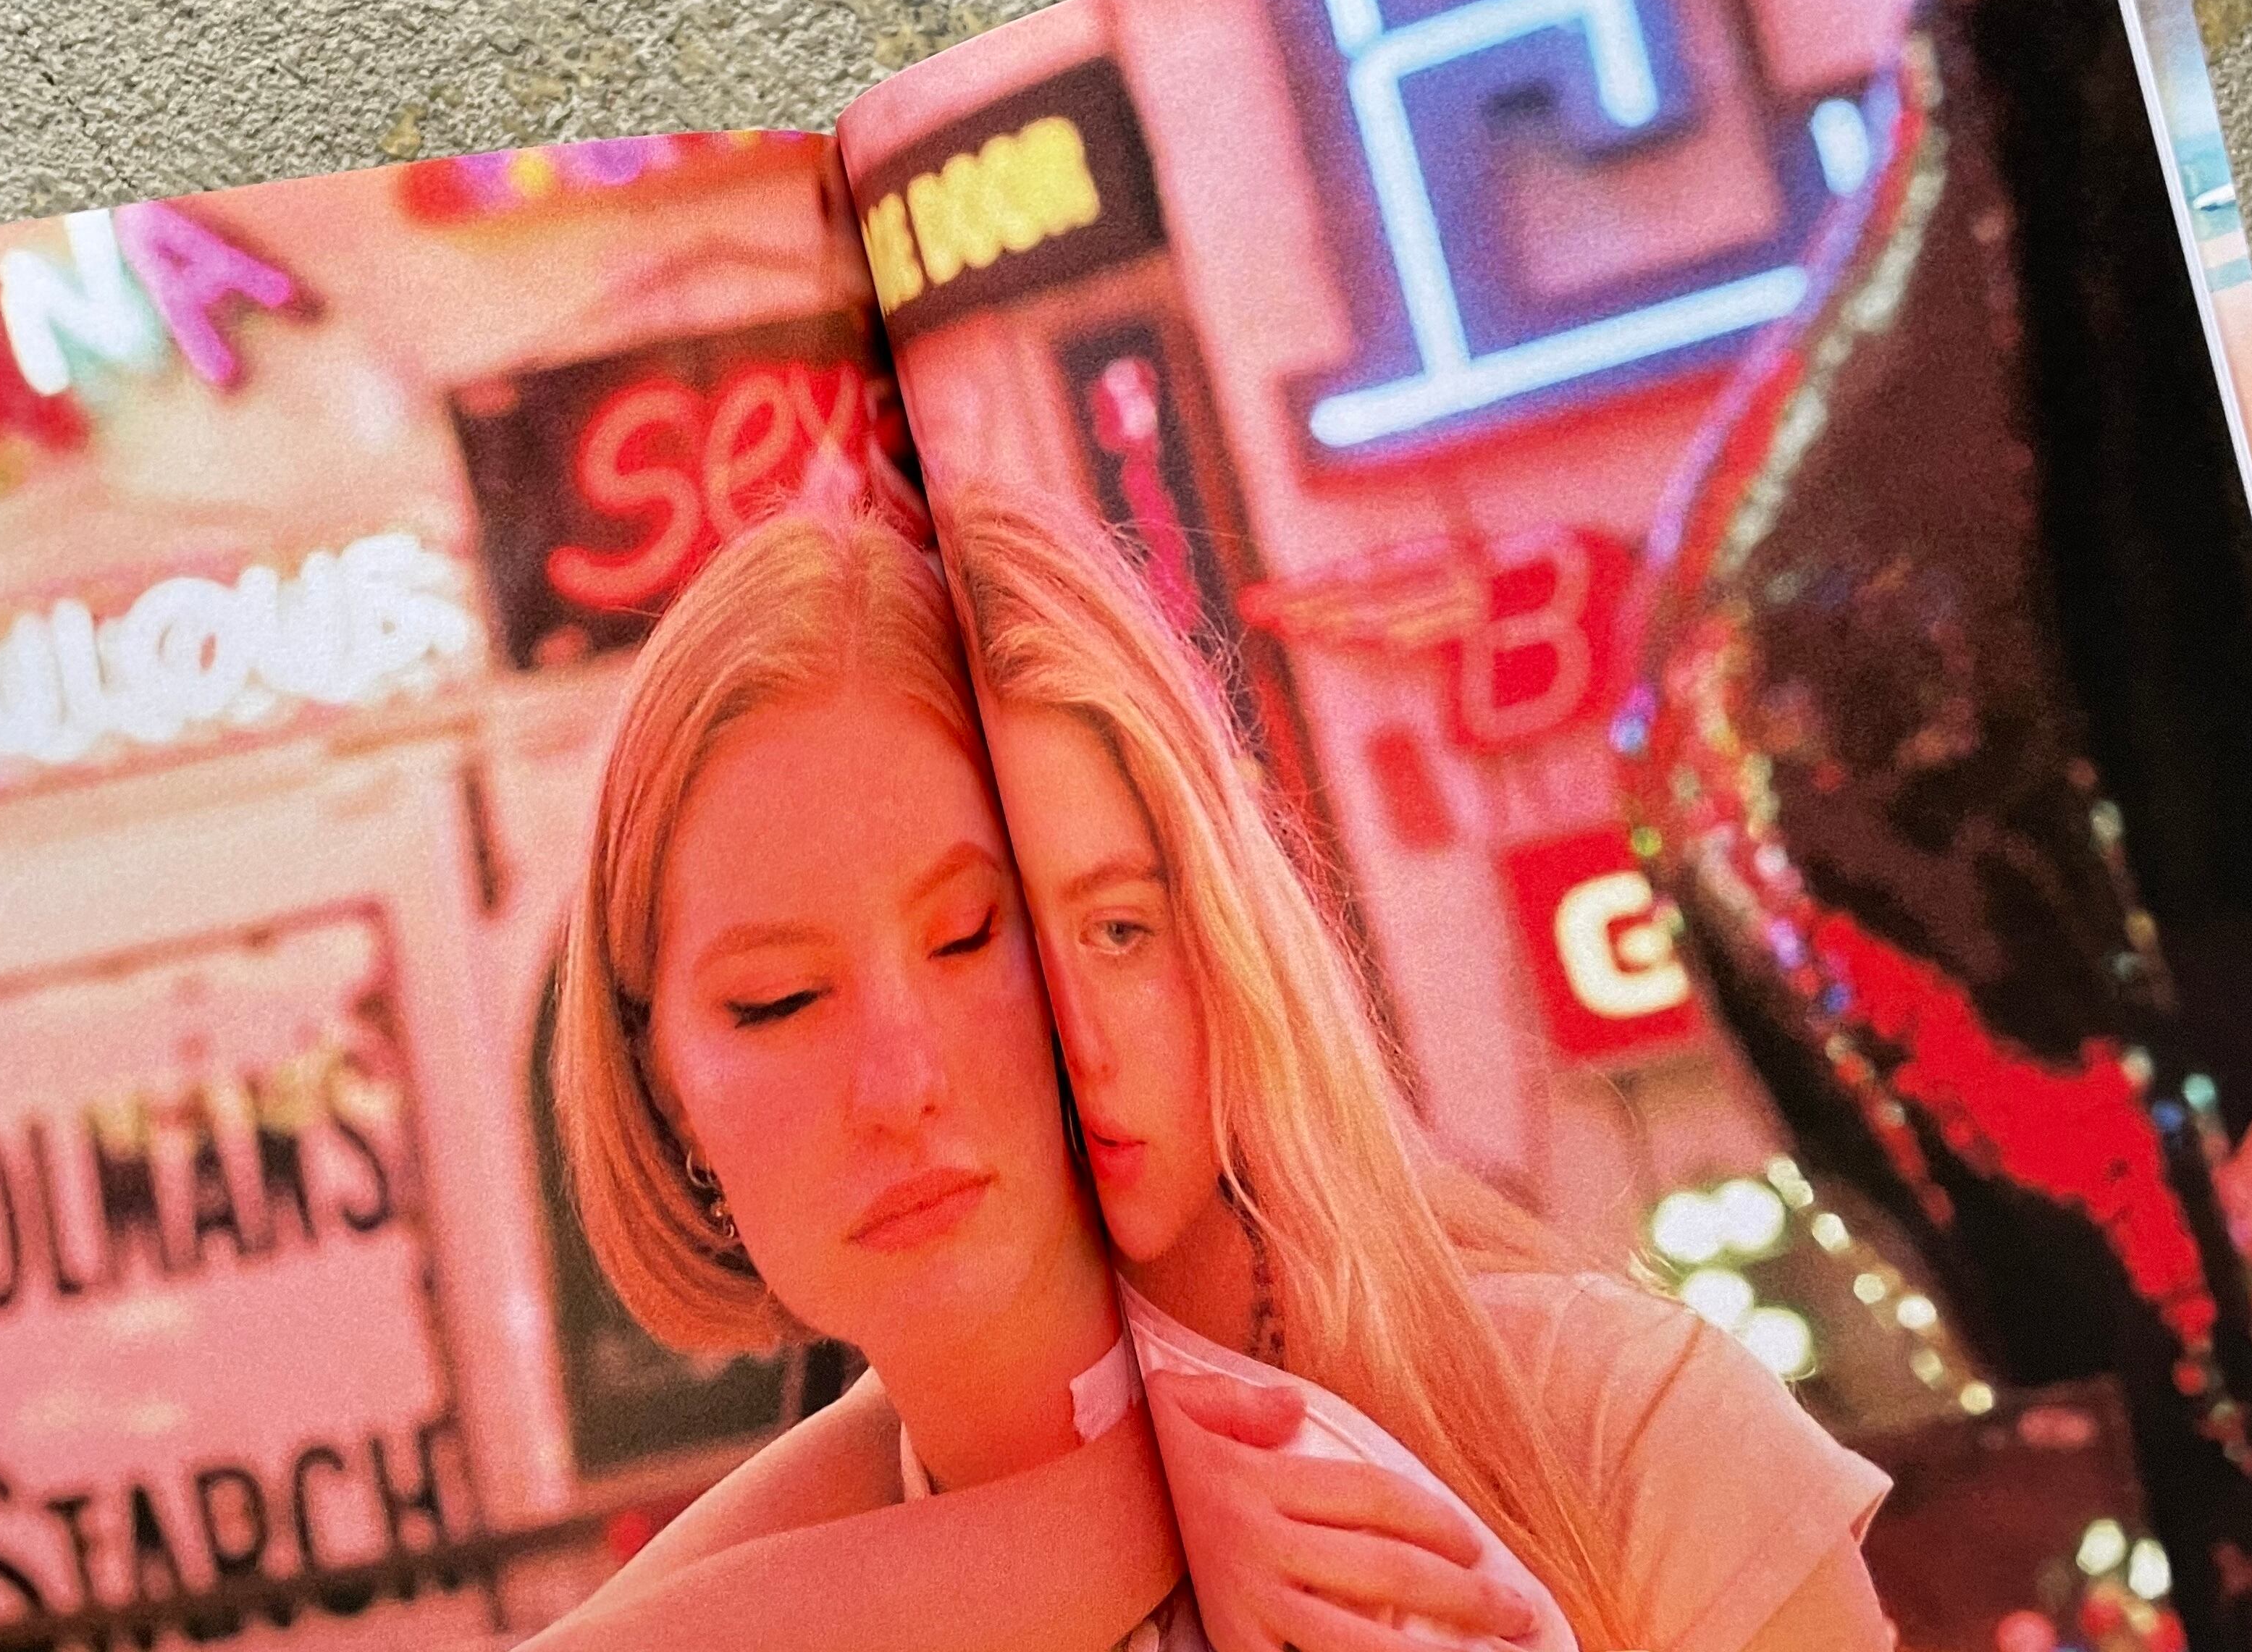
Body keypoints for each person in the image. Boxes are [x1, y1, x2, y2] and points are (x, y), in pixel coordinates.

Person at [532, 497, 1545, 1652]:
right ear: (663, 1087)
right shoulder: (887, 1483)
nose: (899, 1085)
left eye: (974, 939)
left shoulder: (1468, 1479)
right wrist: (1113, 1522)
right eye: (781, 1000)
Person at [936, 484, 1896, 1652]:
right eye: (974, 952)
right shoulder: (877, 1513)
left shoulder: (1618, 1409)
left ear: (1226, 931)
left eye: (1120, 930)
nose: (1073, 1041)